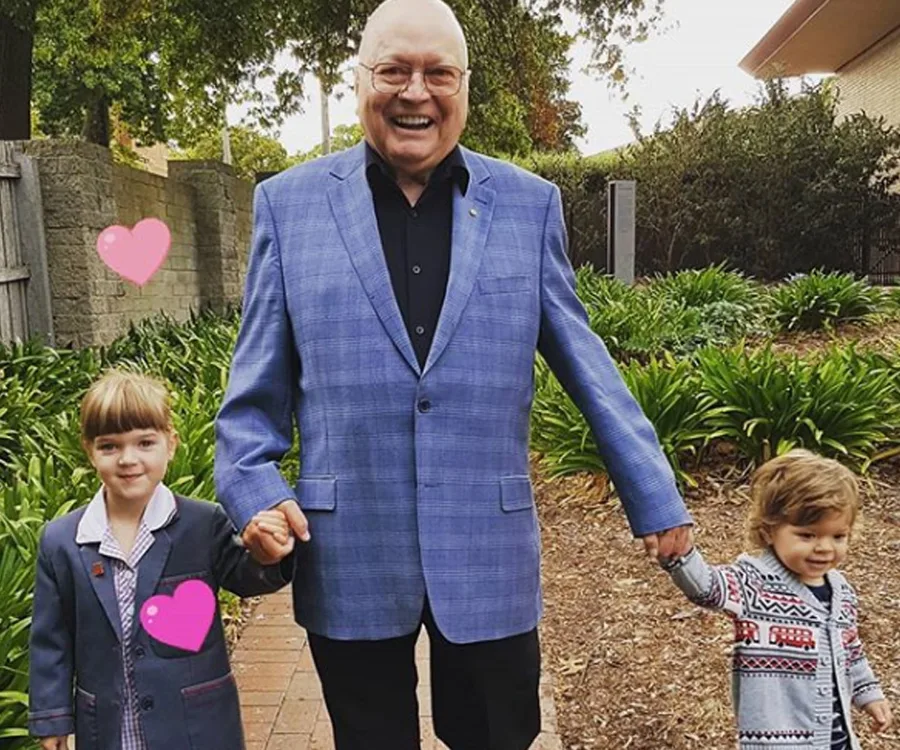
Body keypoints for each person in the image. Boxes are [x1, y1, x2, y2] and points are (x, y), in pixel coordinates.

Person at [214, 0, 693, 747]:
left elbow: (588, 364)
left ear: (464, 85)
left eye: (439, 73)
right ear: (360, 79)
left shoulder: (529, 206)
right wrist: (254, 492)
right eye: (394, 71)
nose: (416, 92)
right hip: (349, 554)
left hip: (487, 551)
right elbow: (251, 403)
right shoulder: (288, 205)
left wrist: (653, 493)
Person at [28, 371, 293, 750]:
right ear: (89, 450)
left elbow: (246, 575)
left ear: (171, 444)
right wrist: (52, 718)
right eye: (109, 446)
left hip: (195, 727)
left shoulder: (203, 524)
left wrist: (266, 554)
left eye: (145, 443)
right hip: (110, 727)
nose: (128, 459)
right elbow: (51, 639)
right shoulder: (62, 541)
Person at [661, 449, 893, 750]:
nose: (825, 548)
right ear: (769, 531)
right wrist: (680, 555)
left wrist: (869, 694)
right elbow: (707, 587)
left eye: (838, 536)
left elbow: (850, 650)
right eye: (807, 535)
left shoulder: (841, 591)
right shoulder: (753, 584)